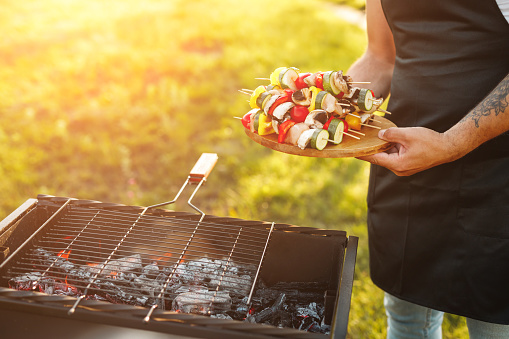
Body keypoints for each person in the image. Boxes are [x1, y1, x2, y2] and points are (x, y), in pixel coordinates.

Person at [346, 0, 509, 337]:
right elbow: (380, 58)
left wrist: (453, 143)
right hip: (407, 169)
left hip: (495, 177)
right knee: (406, 319)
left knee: (494, 326)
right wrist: (326, 109)